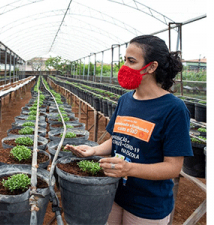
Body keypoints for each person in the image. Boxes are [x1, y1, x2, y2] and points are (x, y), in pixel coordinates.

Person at [65, 35, 193, 225]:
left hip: (148, 205)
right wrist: (94, 150)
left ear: (151, 67)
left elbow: (173, 167)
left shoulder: (173, 108)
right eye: (124, 60)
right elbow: (118, 140)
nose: (124, 67)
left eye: (131, 61)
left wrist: (129, 168)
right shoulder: (125, 100)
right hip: (115, 193)